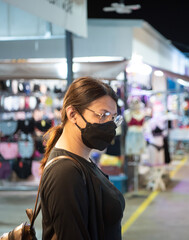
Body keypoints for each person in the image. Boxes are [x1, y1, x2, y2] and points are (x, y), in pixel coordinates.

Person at [40, 77, 125, 239]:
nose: (110, 125)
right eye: (103, 115)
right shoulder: (65, 173)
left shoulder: (83, 160)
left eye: (114, 118)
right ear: (72, 114)